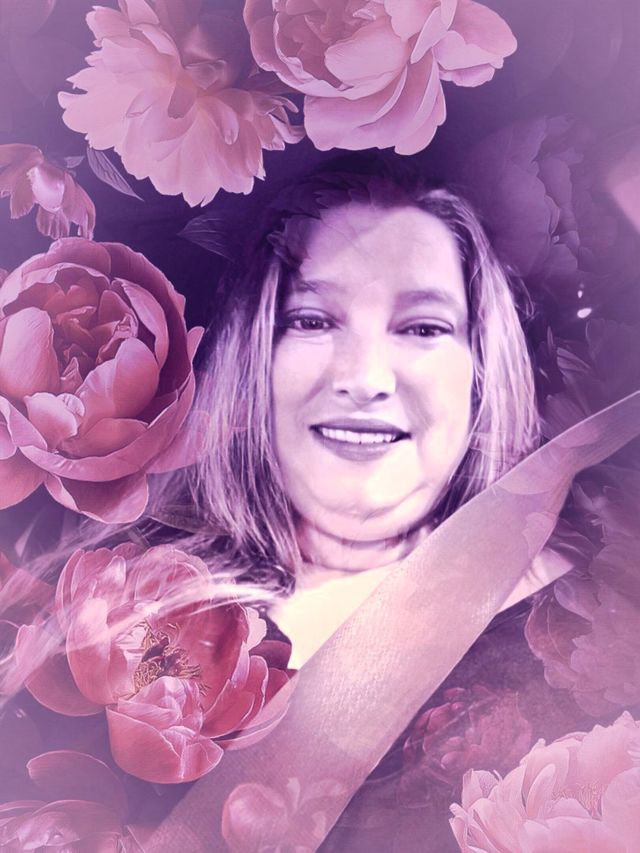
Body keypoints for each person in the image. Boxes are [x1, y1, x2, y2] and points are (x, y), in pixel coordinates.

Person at [176, 160, 562, 669]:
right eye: (312, 321)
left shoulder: (579, 622)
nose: (365, 379)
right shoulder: (138, 622)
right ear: (252, 358)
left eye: (423, 328)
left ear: (482, 372)